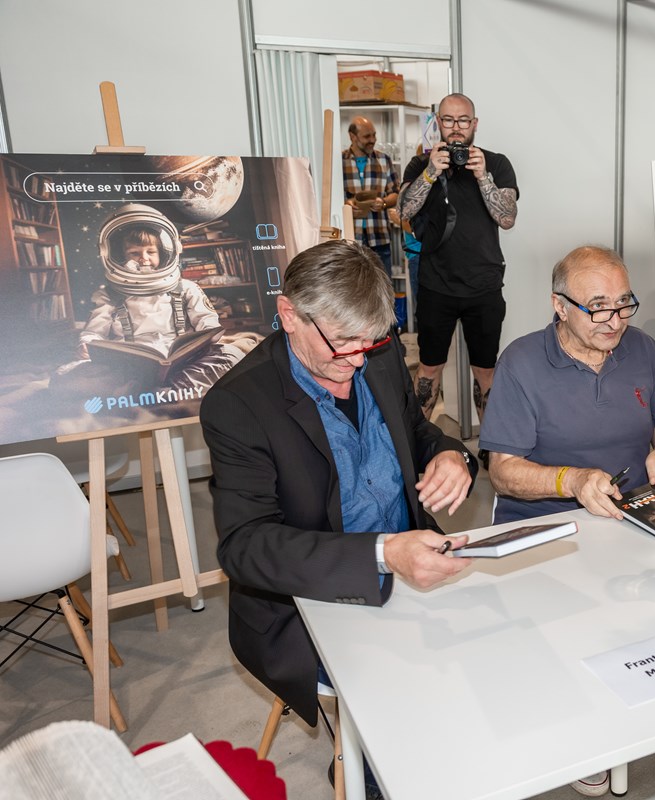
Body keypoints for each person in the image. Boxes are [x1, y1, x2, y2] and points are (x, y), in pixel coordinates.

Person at [199, 239, 478, 737]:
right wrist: (383, 554)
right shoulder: (239, 404)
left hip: (413, 559)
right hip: (311, 596)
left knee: (494, 652)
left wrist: (452, 454)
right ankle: (367, 766)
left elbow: (416, 430)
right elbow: (245, 546)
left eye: (369, 341)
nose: (357, 360)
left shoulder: (378, 353)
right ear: (289, 315)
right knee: (403, 701)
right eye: (344, 342)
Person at [480, 244, 655, 797]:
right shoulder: (522, 362)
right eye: (597, 307)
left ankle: (645, 705)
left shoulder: (642, 350)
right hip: (545, 526)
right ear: (559, 305)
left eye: (623, 305)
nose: (613, 321)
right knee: (564, 634)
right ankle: (583, 733)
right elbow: (502, 472)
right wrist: (570, 481)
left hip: (630, 516)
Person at [393, 93, 518, 423]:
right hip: (436, 284)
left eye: (463, 120)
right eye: (448, 120)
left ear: (474, 124)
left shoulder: (496, 163)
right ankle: (418, 441)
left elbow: (507, 218)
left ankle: (491, 444)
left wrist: (483, 177)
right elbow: (403, 211)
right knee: (429, 368)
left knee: (486, 370)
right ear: (438, 123)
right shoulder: (421, 164)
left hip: (484, 285)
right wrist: (431, 173)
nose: (456, 128)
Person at [65, 203, 243, 392]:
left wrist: (207, 341)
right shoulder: (109, 295)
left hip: (182, 359)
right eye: (134, 253)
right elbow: (94, 333)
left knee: (233, 356)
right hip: (130, 363)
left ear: (165, 253)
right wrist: (86, 345)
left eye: (151, 252)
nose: (144, 258)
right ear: (119, 255)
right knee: (67, 376)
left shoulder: (187, 288)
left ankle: (154, 388)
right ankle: (172, 389)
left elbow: (207, 324)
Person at [343, 116, 400, 270]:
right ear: (352, 137)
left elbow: (396, 193)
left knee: (383, 283)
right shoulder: (339, 161)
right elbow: (332, 197)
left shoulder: (384, 160)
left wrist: (384, 203)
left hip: (379, 238)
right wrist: (347, 205)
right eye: (367, 136)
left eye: (374, 135)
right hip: (350, 240)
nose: (373, 140)